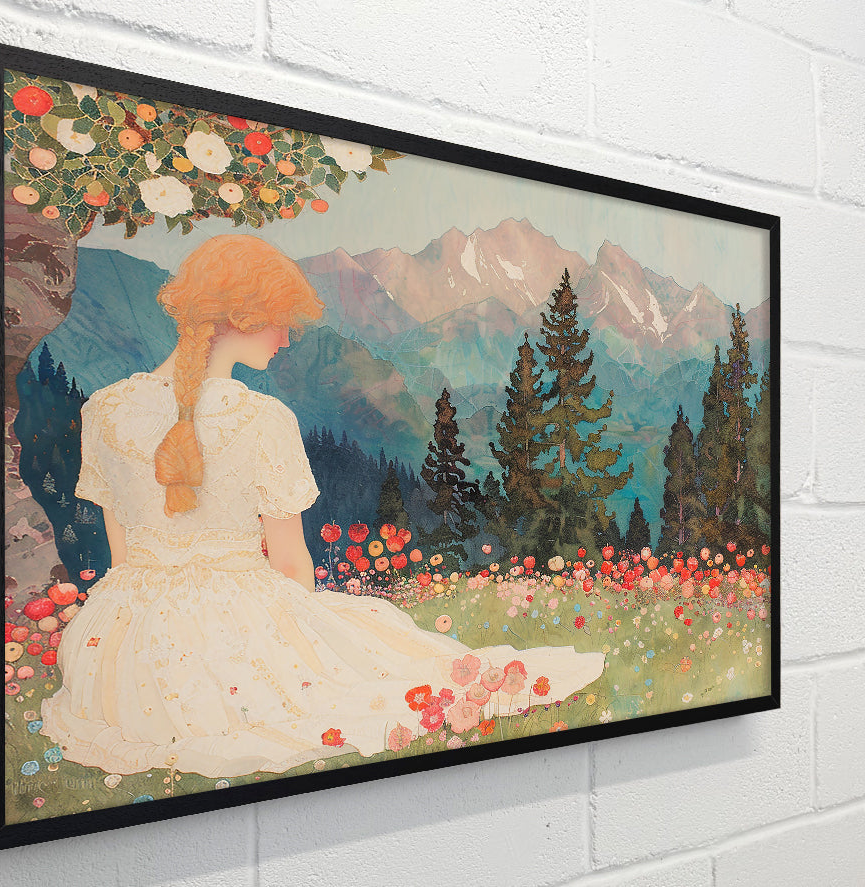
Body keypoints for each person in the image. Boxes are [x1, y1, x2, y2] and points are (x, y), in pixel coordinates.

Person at [40, 234, 605, 778]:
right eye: (282, 321)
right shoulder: (262, 420)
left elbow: (120, 557)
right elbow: (290, 563)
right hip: (231, 628)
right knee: (364, 676)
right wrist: (305, 648)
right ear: (242, 318)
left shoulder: (104, 412)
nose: (287, 340)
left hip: (121, 647)